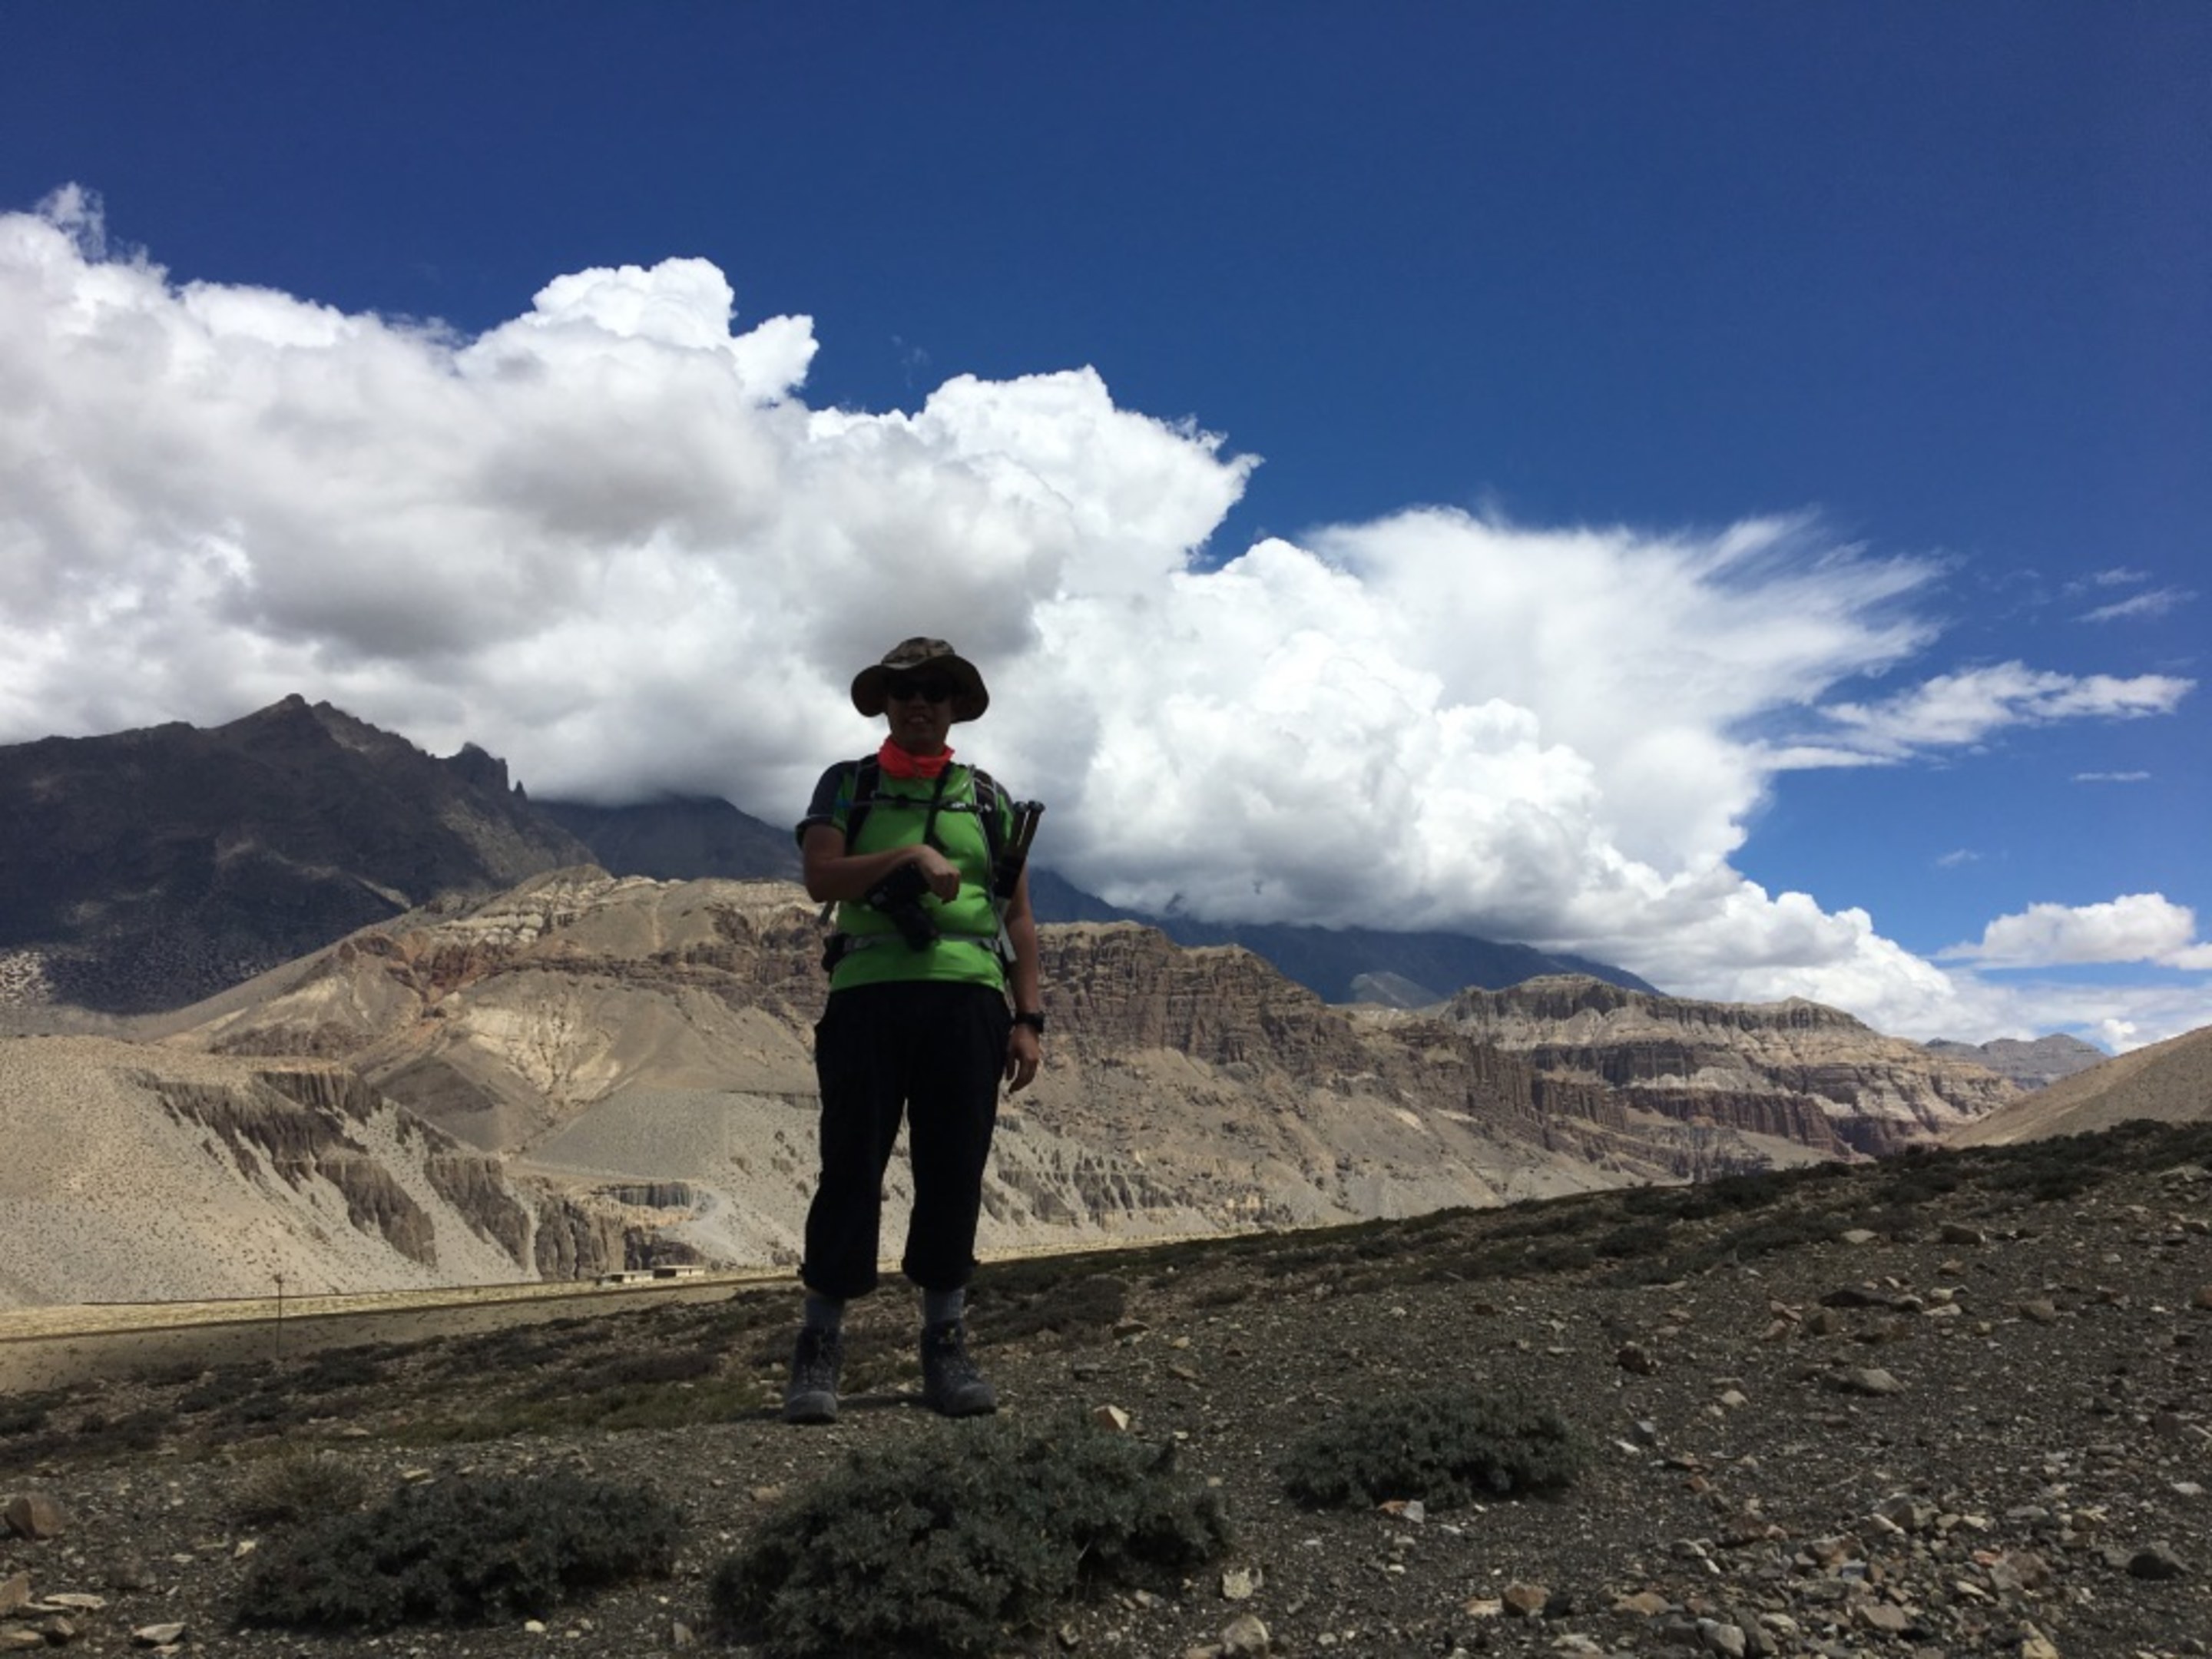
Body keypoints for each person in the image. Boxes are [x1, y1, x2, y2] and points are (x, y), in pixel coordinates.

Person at [783, 637, 1045, 1422]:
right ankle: (818, 1350)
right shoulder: (849, 784)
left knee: (954, 1167)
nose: (919, 702)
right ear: (885, 705)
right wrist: (913, 855)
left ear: (957, 703)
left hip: (969, 1002)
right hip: (867, 996)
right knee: (850, 1164)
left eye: (935, 689)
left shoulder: (988, 799)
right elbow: (820, 878)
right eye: (903, 691)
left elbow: (1017, 918)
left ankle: (945, 1344)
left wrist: (1028, 1017)